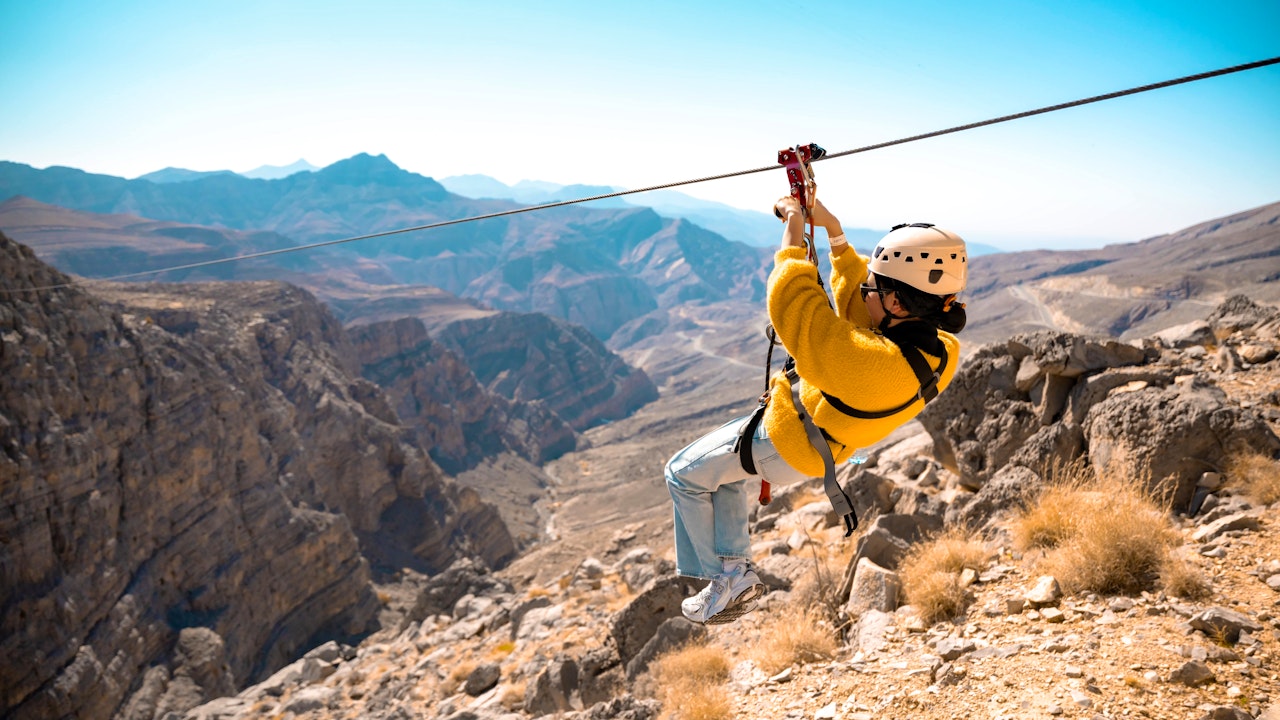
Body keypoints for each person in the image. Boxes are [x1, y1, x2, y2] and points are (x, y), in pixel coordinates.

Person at [665, 194, 968, 625]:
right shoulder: (939, 352)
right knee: (723, 480)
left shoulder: (866, 363)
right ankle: (736, 569)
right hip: (816, 447)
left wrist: (792, 230)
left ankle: (723, 582)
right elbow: (862, 317)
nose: (866, 288)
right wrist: (835, 234)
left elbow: (798, 309)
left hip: (785, 440)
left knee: (681, 474)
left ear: (899, 304)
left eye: (875, 286)